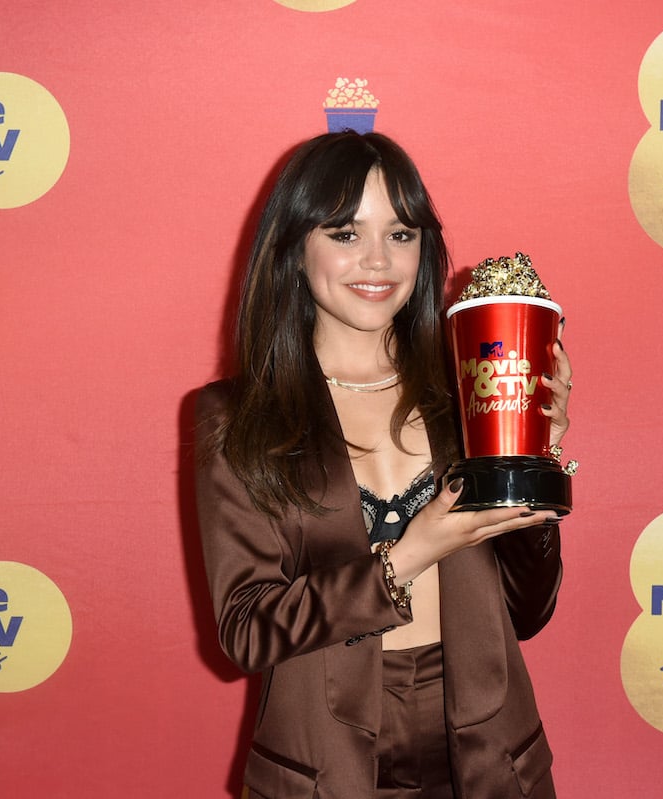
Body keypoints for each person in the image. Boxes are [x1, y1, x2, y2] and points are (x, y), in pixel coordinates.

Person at [195, 131, 572, 799]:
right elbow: (247, 630)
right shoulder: (236, 416)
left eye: (401, 234)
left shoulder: (469, 388)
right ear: (294, 246)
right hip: (323, 764)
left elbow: (527, 609)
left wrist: (530, 459)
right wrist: (409, 555)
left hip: (488, 751)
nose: (378, 260)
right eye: (345, 233)